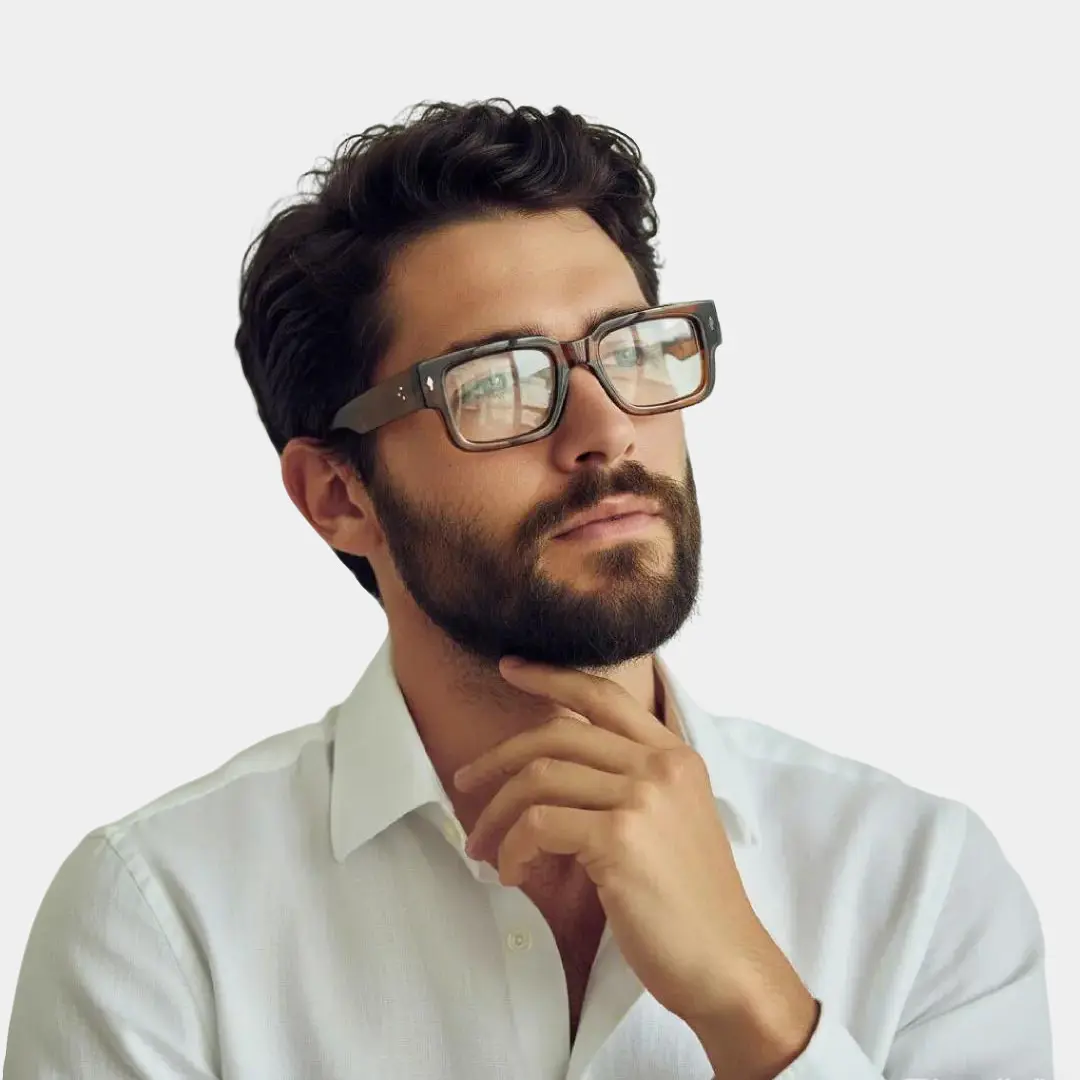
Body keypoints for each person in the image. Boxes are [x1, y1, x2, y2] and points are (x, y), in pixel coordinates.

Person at [4, 99, 1053, 1080]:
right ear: (336, 493)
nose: (605, 431)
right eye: (500, 382)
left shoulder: (923, 884)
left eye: (632, 350)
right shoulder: (160, 921)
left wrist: (755, 1006)